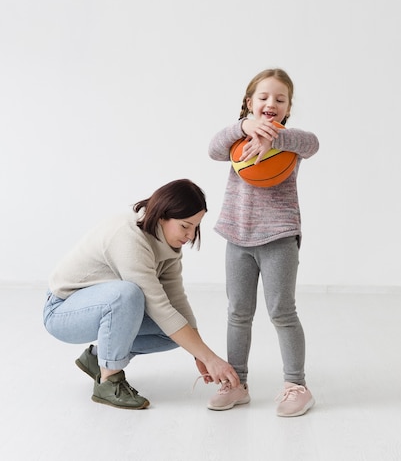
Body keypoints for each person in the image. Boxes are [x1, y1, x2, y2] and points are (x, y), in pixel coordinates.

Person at [43, 178, 240, 410]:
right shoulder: (128, 235)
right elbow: (158, 306)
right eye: (185, 226)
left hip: (102, 307)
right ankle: (109, 382)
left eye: (195, 227)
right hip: (63, 311)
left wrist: (199, 353)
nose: (190, 235)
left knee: (172, 332)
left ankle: (97, 359)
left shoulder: (169, 247)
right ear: (162, 215)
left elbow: (176, 301)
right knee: (128, 294)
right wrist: (209, 358)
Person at [207, 68, 319, 416]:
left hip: (279, 239)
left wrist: (276, 139)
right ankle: (236, 383)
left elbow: (313, 143)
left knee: (282, 312)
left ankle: (296, 385)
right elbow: (212, 150)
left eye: (280, 99)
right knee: (238, 313)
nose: (272, 103)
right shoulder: (236, 139)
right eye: (264, 97)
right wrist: (242, 127)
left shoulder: (291, 141)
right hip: (237, 236)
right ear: (249, 102)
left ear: (287, 108)